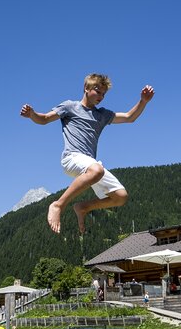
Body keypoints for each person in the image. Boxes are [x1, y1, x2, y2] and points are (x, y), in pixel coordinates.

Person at [21, 73, 155, 234]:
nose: (101, 96)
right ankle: (58, 205)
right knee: (96, 170)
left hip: (90, 164)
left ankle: (83, 207)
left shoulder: (102, 115)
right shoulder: (70, 107)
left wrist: (143, 101)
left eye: (104, 94)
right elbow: (44, 119)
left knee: (120, 197)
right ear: (86, 88)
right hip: (71, 157)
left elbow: (129, 117)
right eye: (98, 91)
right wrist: (32, 115)